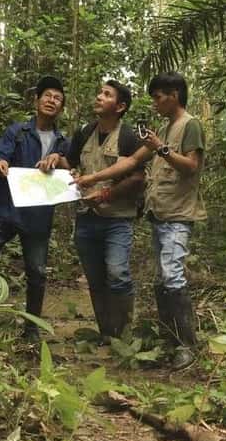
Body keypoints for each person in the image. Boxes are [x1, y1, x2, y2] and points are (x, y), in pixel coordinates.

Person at [75, 72, 205, 369]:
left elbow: (191, 166)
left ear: (173, 95)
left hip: (178, 215)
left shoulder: (190, 125)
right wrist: (93, 178)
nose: (155, 103)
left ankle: (186, 345)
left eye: (158, 97)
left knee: (172, 276)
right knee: (162, 279)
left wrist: (161, 148)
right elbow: (132, 161)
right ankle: (168, 339)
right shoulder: (164, 127)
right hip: (160, 213)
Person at [42, 80, 145, 344]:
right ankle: (105, 333)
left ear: (120, 106)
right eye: (99, 92)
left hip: (117, 219)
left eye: (107, 95)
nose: (99, 97)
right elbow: (71, 164)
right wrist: (56, 157)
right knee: (95, 278)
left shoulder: (128, 136)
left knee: (117, 273)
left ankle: (123, 336)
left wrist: (106, 194)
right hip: (86, 218)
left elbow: (137, 179)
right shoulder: (85, 132)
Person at [0, 76, 69, 341]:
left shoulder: (62, 141)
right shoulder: (17, 131)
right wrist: (0, 163)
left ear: (61, 108)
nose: (51, 101)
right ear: (37, 101)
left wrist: (59, 160)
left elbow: (71, 172)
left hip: (37, 216)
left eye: (57, 98)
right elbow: (1, 155)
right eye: (47, 95)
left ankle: (31, 328)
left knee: (36, 272)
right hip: (5, 209)